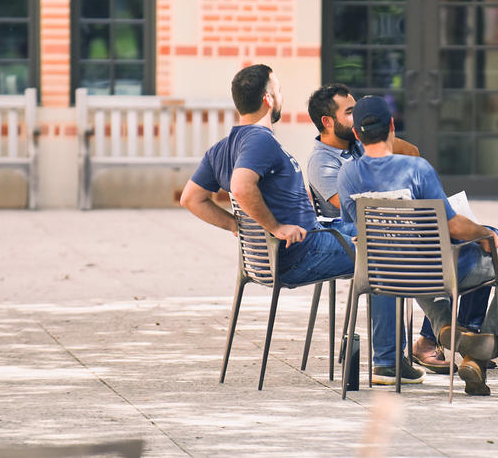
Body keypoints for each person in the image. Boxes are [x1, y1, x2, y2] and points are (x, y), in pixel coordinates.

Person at [176, 66, 425, 379]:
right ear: (268, 99)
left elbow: (191, 198)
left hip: (311, 239)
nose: (282, 96)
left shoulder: (221, 149)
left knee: (393, 231)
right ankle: (390, 360)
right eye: (278, 90)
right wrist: (275, 228)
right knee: (385, 249)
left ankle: (426, 334)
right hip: (303, 252)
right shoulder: (260, 141)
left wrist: (236, 227)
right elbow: (240, 186)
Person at [337, 95, 498, 396]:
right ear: (392, 125)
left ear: (356, 134)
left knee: (401, 262)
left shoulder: (347, 174)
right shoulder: (416, 168)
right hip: (435, 272)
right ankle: (479, 356)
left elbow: (354, 227)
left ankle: (407, 349)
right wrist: (483, 233)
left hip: (381, 274)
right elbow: (453, 225)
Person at [305, 84, 489, 375]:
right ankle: (441, 338)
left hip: (401, 224)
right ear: (328, 122)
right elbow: (358, 207)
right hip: (356, 238)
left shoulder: (358, 142)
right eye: (350, 112)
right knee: (419, 252)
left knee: (482, 236)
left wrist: (381, 137)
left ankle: (464, 335)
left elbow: (413, 154)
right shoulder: (322, 161)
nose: (358, 118)